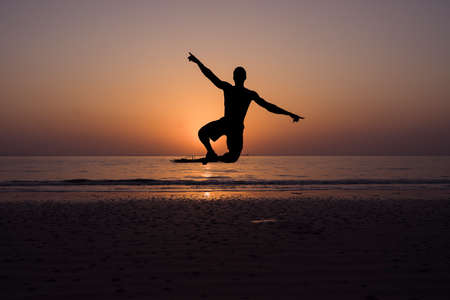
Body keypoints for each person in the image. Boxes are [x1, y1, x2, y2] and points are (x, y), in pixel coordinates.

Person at [188, 52, 303, 164]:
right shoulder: (239, 91)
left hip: (234, 128)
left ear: (236, 77)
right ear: (244, 78)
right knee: (203, 134)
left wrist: (197, 62)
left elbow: (269, 107)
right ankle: (212, 154)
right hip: (229, 124)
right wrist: (290, 114)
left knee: (229, 155)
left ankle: (215, 156)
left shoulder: (240, 91)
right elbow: (269, 107)